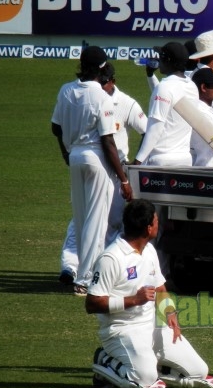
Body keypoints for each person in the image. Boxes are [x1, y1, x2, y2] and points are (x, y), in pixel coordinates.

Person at [87, 199, 213, 388]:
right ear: (148, 228)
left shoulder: (149, 250)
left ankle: (145, 363)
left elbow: (160, 288)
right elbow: (92, 304)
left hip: (153, 326)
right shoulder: (111, 258)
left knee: (199, 372)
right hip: (122, 330)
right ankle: (104, 360)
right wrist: (133, 300)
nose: (160, 224)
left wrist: (170, 313)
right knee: (145, 380)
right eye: (157, 220)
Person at [51, 46, 132, 295]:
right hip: (97, 159)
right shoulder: (102, 98)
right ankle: (86, 280)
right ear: (102, 69)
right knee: (96, 223)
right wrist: (124, 179)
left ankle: (82, 275)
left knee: (81, 218)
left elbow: (55, 127)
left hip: (75, 157)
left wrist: (67, 154)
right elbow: (108, 142)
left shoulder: (66, 90)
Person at [59, 63, 148, 285]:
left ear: (112, 82)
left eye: (105, 83)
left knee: (111, 222)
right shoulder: (92, 96)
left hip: (116, 171)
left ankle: (101, 271)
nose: (102, 86)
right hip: (98, 165)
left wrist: (135, 163)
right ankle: (71, 267)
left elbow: (148, 130)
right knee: (83, 219)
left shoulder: (125, 103)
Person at [132, 42, 197, 167]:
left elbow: (155, 129)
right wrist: (150, 75)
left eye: (161, 56)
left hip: (161, 161)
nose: (158, 60)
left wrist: (138, 161)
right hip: (185, 159)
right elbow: (168, 98)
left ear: (167, 60)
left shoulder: (165, 88)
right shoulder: (191, 86)